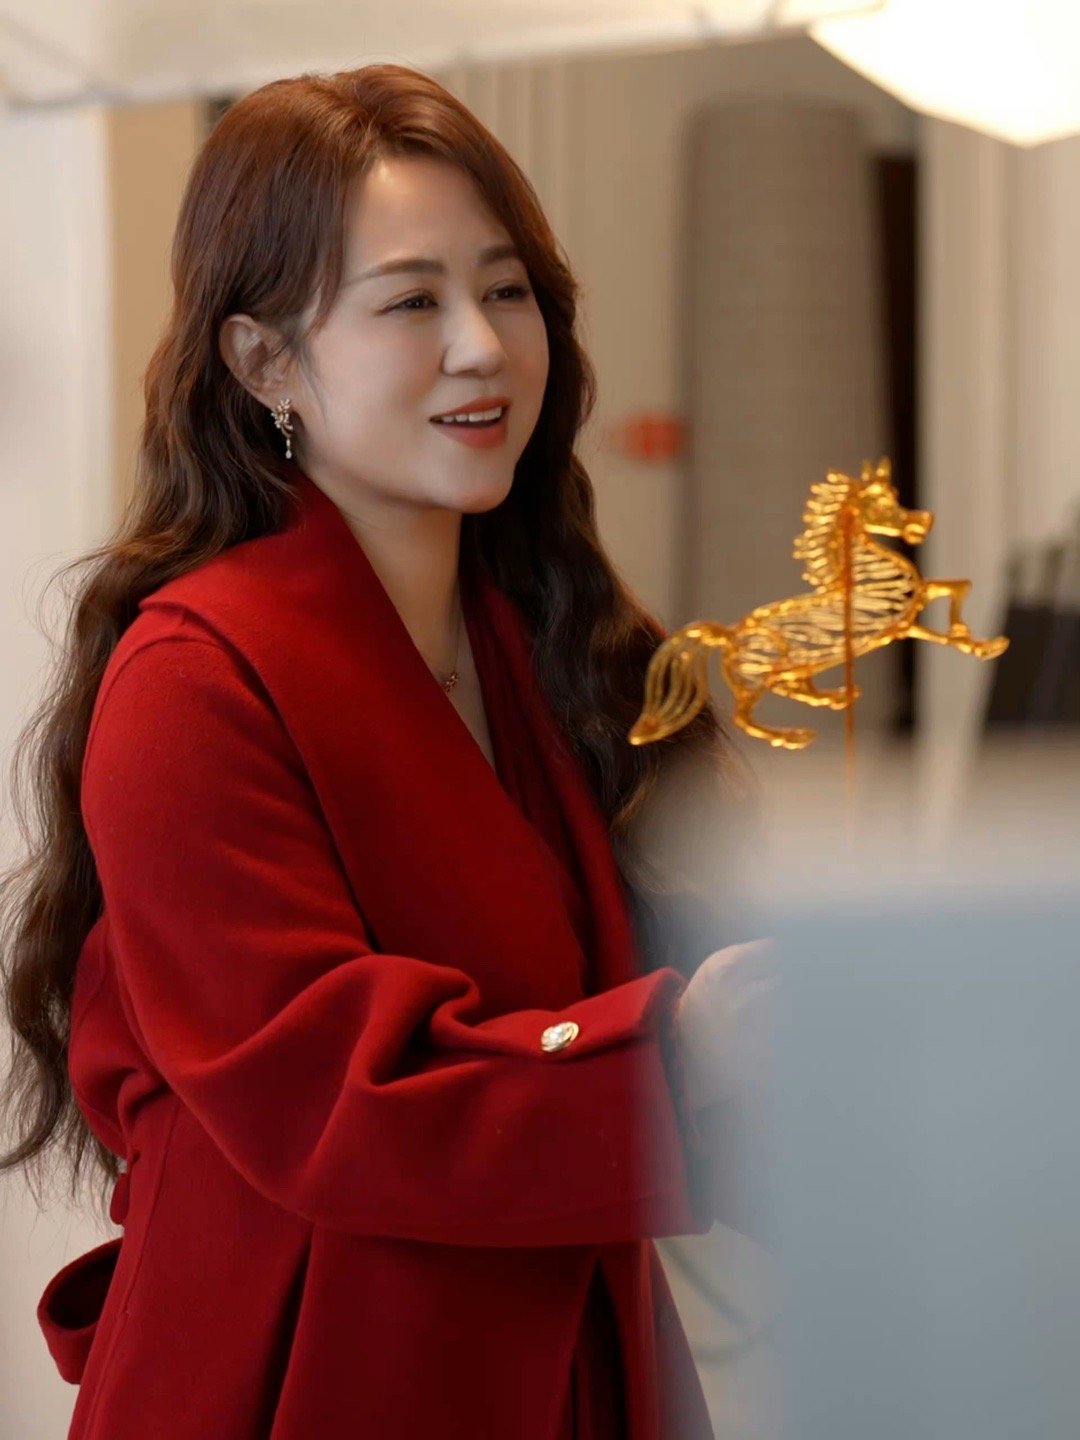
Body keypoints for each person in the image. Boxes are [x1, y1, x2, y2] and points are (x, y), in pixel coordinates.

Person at [0, 63, 772, 1439]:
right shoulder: (192, 682)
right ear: (264, 362)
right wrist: (679, 1048)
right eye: (412, 301)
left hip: (560, 1355)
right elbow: (336, 1094)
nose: (481, 346)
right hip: (312, 1378)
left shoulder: (556, 644)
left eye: (507, 290)